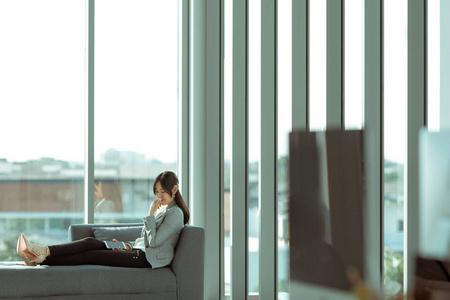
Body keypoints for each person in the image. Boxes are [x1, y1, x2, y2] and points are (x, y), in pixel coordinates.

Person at [16, 171, 190, 269]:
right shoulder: (164, 210)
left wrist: (150, 216)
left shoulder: (176, 214)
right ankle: (42, 251)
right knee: (89, 241)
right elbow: (145, 239)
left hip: (146, 259)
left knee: (90, 255)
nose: (159, 196)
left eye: (162, 191)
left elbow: (154, 242)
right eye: (156, 191)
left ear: (174, 189)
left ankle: (40, 258)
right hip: (136, 251)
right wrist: (127, 245)